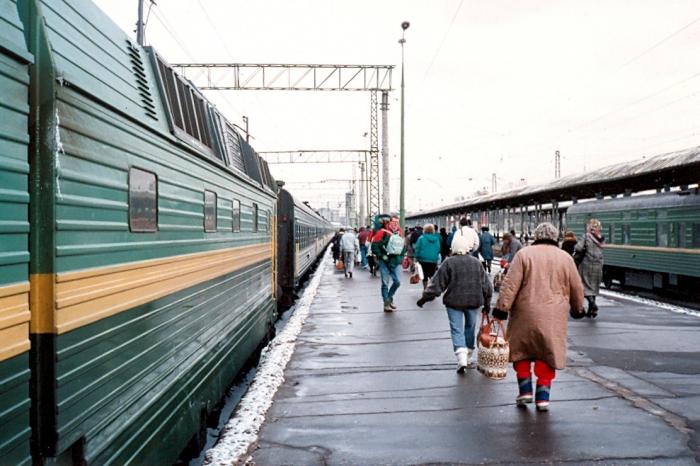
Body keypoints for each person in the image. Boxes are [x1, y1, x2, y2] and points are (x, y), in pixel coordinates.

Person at [493, 223, 585, 411]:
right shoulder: (565, 258)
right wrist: (577, 308)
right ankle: (543, 398)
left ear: (536, 235)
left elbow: (510, 285)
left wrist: (502, 308)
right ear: (554, 237)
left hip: (525, 312)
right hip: (553, 315)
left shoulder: (524, 254)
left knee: (522, 352)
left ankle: (525, 391)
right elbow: (577, 286)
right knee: (547, 353)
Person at [417, 233, 492, 373]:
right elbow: (487, 286)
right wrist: (487, 304)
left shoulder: (449, 262)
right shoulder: (476, 263)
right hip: (474, 301)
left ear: (453, 248)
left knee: (456, 329)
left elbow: (436, 285)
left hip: (454, 301)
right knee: (470, 327)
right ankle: (468, 355)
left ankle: (461, 357)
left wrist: (424, 298)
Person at [371, 214, 405, 311]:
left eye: (397, 222)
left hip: (396, 261)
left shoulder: (400, 232)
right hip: (384, 261)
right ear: (389, 222)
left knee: (397, 282)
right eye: (393, 222)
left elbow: (403, 246)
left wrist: (402, 257)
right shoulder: (382, 232)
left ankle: (389, 299)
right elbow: (374, 246)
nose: (395, 224)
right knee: (385, 283)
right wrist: (382, 256)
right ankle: (386, 304)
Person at [575, 219, 605, 318]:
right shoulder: (601, 238)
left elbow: (579, 248)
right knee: (594, 287)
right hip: (598, 265)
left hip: (587, 264)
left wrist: (577, 245)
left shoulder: (586, 236)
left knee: (585, 286)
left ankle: (592, 304)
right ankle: (591, 311)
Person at [413, 224, 441, 289]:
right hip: (433, 260)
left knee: (424, 276)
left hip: (422, 260)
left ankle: (425, 289)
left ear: (424, 230)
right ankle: (431, 288)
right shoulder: (436, 239)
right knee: (432, 275)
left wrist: (415, 258)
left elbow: (417, 248)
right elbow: (438, 249)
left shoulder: (421, 238)